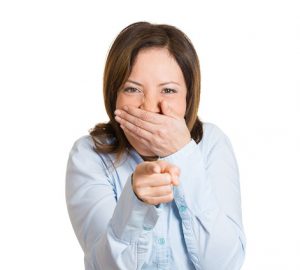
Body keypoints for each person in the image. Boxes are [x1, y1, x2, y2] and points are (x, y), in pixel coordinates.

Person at [65, 21, 246, 270]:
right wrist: (135, 202)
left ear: (188, 97)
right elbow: (105, 266)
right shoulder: (89, 154)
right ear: (113, 96)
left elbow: (226, 263)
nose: (150, 107)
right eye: (132, 89)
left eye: (169, 91)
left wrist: (182, 154)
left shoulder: (212, 143)